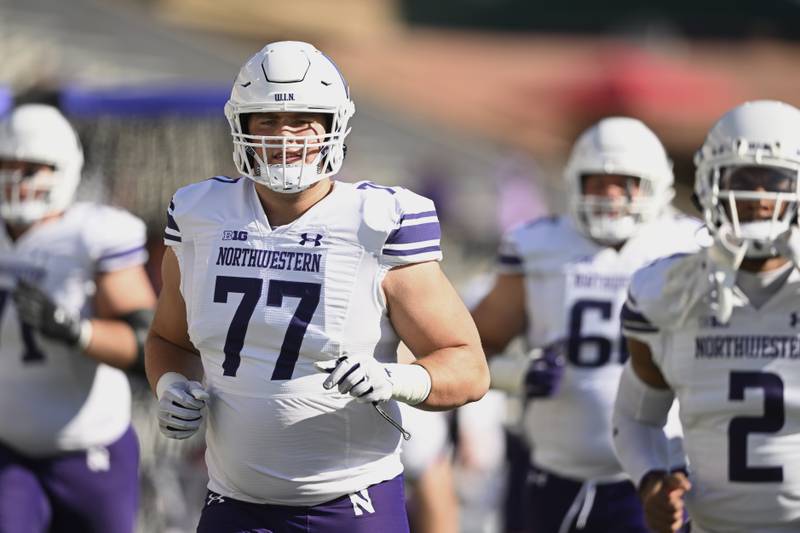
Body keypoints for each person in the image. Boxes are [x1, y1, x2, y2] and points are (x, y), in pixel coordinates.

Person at [144, 40, 489, 533]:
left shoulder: (378, 221)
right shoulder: (201, 214)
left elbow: (468, 366)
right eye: (266, 119)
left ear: (333, 126)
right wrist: (170, 384)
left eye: (303, 119)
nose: (284, 137)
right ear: (240, 125)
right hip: (234, 505)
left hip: (350, 506)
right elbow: (168, 340)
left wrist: (395, 379)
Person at [472, 116, 698, 533]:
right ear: (576, 182)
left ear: (655, 185)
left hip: (657, 474)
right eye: (597, 181)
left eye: (624, 182)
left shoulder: (691, 249)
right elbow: (472, 348)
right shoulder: (537, 246)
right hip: (555, 469)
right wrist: (516, 374)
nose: (610, 195)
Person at [614, 99, 800, 533]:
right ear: (708, 186)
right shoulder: (668, 292)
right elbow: (636, 417)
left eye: (773, 182)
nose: (756, 198)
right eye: (741, 180)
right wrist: (651, 481)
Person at [0, 104, 156, 532]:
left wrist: (75, 330)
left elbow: (147, 345)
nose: (15, 178)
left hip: (90, 449)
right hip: (9, 450)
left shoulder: (90, 235)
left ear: (62, 171)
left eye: (31, 167)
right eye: (6, 165)